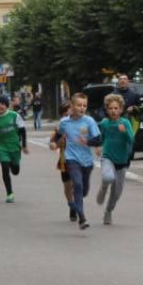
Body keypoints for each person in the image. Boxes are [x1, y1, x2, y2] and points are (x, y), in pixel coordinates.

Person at [57, 92, 101, 229]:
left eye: (84, 106)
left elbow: (98, 139)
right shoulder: (64, 122)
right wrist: (55, 142)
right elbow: (58, 134)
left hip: (87, 161)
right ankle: (82, 218)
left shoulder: (89, 121)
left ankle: (76, 200)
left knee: (84, 191)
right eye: (79, 105)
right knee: (77, 183)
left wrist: (87, 142)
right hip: (71, 158)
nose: (82, 108)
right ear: (72, 106)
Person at [95, 94, 135, 225]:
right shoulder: (105, 123)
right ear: (107, 110)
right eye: (110, 108)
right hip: (108, 157)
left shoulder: (125, 123)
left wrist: (124, 132)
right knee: (108, 177)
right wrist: (98, 146)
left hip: (122, 162)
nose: (113, 111)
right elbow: (100, 137)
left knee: (116, 193)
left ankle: (108, 211)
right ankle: (103, 188)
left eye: (116, 108)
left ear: (121, 109)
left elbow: (131, 140)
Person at [0, 96, 28, 202]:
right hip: (3, 147)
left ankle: (13, 163)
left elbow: (22, 131)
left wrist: (24, 145)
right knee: (4, 167)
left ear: (6, 106)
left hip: (15, 146)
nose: (0, 106)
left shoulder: (14, 115)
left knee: (15, 171)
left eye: (2, 104)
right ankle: (9, 193)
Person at [49, 101, 76, 221]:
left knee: (77, 184)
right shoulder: (60, 127)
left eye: (70, 111)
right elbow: (53, 143)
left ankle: (76, 203)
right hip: (65, 160)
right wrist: (56, 143)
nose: (68, 114)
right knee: (67, 186)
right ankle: (71, 205)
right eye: (65, 113)